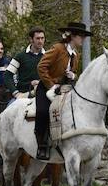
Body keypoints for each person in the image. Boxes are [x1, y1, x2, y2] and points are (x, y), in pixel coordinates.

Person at [34, 22, 91, 160]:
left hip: (64, 89)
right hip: (46, 87)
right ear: (73, 36)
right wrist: (51, 84)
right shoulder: (58, 48)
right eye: (81, 36)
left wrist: (73, 75)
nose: (83, 39)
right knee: (43, 112)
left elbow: (73, 72)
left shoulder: (75, 55)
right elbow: (41, 67)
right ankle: (42, 145)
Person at [5, 27, 47, 101]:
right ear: (31, 39)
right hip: (23, 95)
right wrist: (15, 93)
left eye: (42, 38)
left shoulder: (48, 56)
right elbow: (7, 75)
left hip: (43, 95)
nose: (40, 41)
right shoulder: (20, 56)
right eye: (37, 38)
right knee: (7, 111)